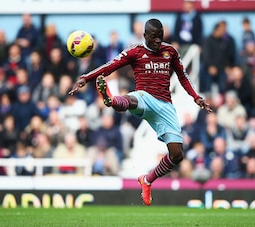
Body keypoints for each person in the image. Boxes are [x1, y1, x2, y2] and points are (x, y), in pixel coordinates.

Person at [69, 18, 212, 206]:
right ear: (145, 35)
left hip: (165, 106)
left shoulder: (170, 52)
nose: (158, 41)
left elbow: (183, 76)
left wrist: (196, 97)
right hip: (144, 97)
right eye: (154, 37)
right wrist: (86, 78)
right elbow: (109, 66)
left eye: (160, 37)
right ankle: (112, 100)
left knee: (177, 155)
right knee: (132, 99)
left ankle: (147, 180)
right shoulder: (134, 51)